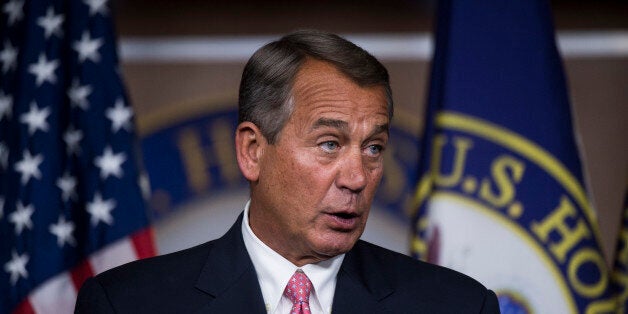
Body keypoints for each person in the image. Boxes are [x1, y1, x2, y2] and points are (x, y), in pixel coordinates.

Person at [75, 30, 500, 313]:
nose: (356, 177)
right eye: (329, 144)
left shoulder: (457, 305)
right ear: (252, 151)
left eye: (373, 148)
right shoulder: (128, 304)